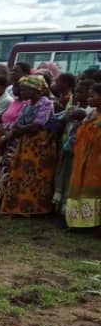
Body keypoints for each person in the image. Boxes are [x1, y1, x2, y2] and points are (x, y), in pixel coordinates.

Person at [0, 75, 57, 216]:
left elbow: (38, 125)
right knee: (21, 174)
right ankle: (19, 207)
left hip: (40, 144)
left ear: (36, 90)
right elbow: (18, 123)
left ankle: (35, 209)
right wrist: (15, 131)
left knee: (37, 175)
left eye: (25, 90)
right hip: (25, 143)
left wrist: (18, 130)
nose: (22, 92)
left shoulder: (46, 104)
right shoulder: (26, 105)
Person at [64, 82, 101, 229]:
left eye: (93, 95)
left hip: (96, 162)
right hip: (84, 158)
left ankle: (96, 224)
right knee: (81, 188)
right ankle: (80, 222)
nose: (89, 97)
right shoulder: (91, 113)